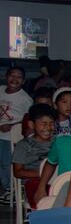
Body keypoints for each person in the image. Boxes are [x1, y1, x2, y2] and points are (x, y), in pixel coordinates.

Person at [0, 65, 32, 201]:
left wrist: (12, 125)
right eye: (12, 75)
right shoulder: (1, 90)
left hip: (11, 136)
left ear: (23, 81)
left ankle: (10, 189)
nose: (15, 79)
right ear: (6, 77)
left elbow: (29, 119)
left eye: (19, 77)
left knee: (7, 163)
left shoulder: (25, 99)